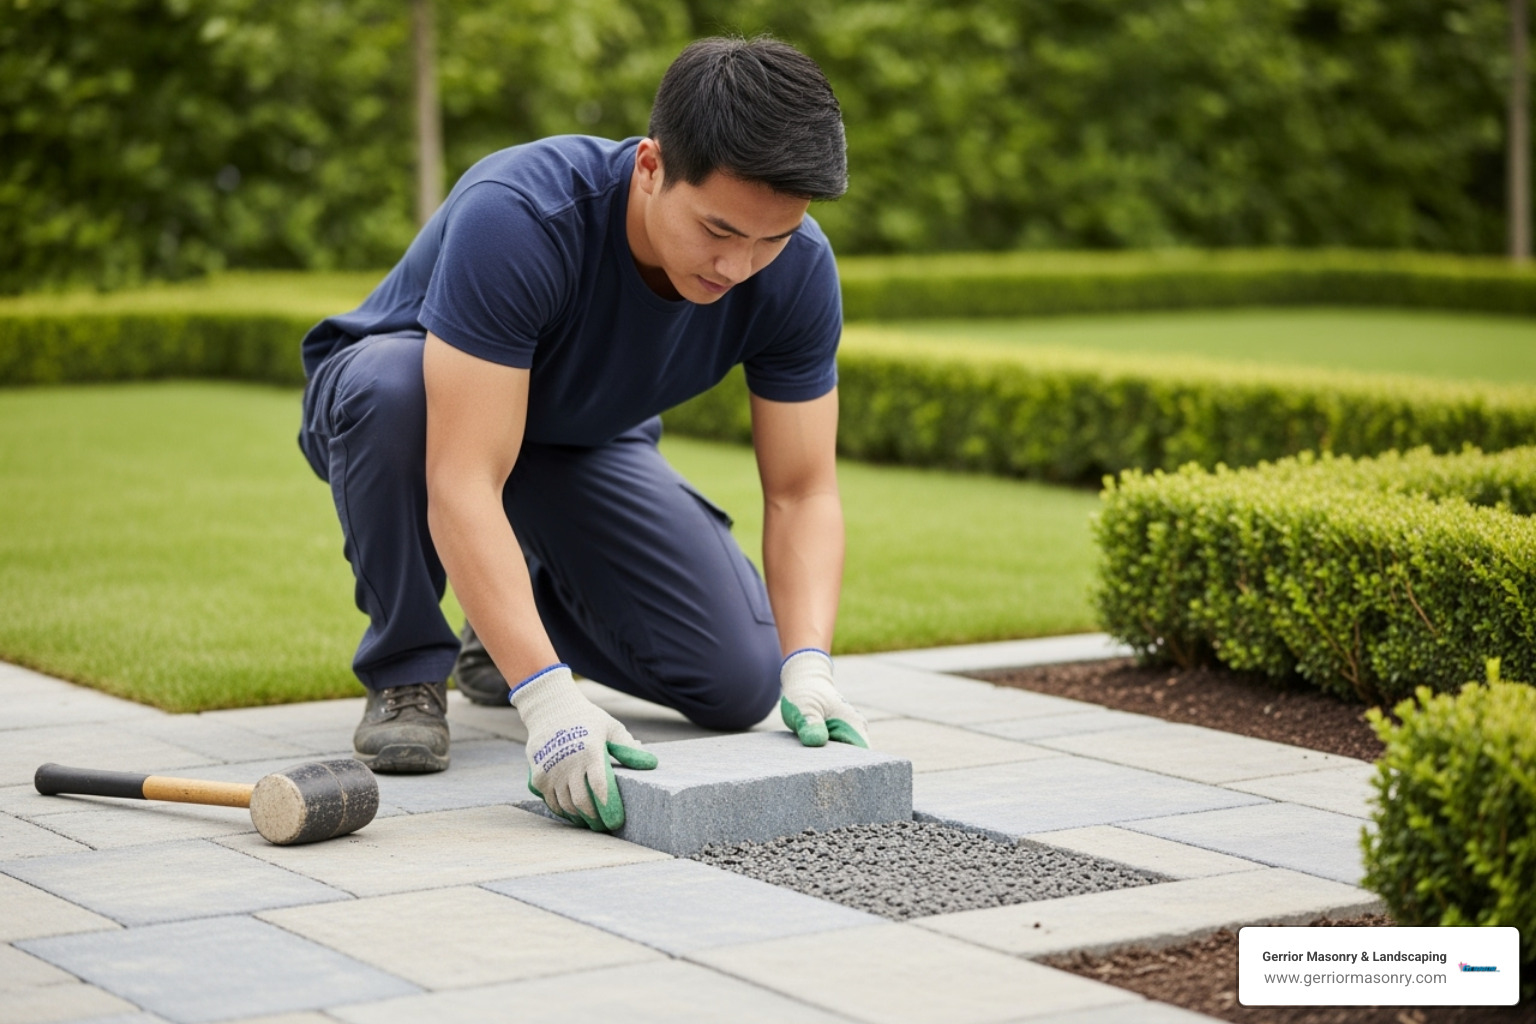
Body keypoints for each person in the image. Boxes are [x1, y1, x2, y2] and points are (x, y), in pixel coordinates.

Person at [296, 35, 869, 832]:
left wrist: (808, 664)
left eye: (769, 239)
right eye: (719, 230)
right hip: (416, 412)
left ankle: (500, 636)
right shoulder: (521, 214)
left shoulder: (798, 270)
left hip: (580, 440)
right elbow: (462, 479)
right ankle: (408, 669)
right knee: (394, 390)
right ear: (650, 167)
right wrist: (549, 703)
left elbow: (803, 491)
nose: (739, 266)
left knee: (739, 683)